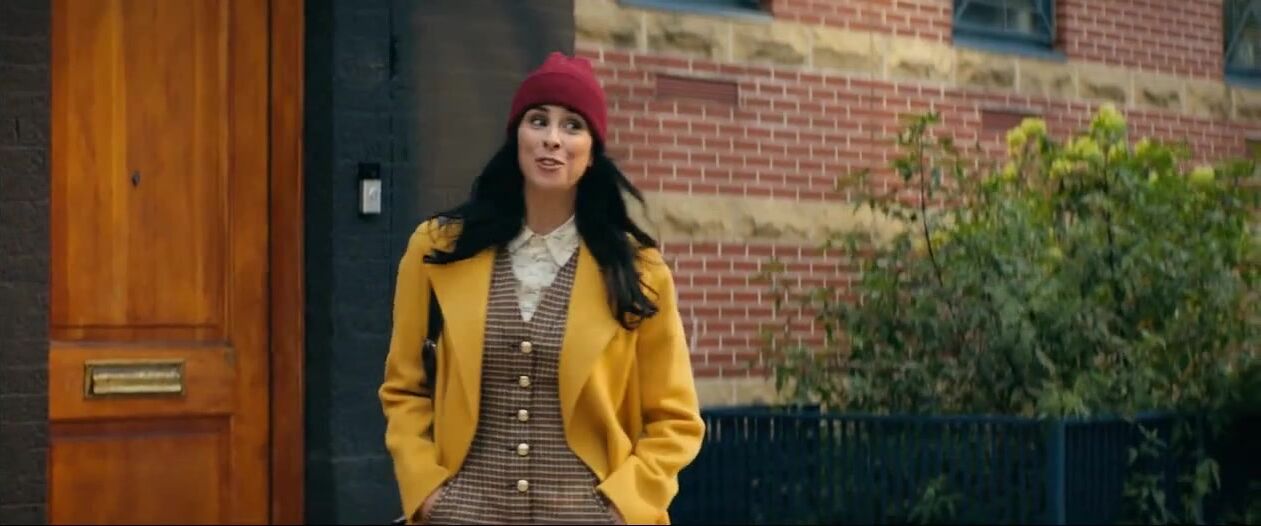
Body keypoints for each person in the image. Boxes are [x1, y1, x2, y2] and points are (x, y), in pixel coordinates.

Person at [379, 51, 705, 525]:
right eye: (538, 120)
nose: (553, 138)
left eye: (573, 125)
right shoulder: (436, 251)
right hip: (462, 515)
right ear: (517, 136)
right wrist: (429, 494)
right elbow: (404, 389)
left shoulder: (639, 271)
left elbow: (675, 420)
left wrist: (620, 510)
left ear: (592, 152)